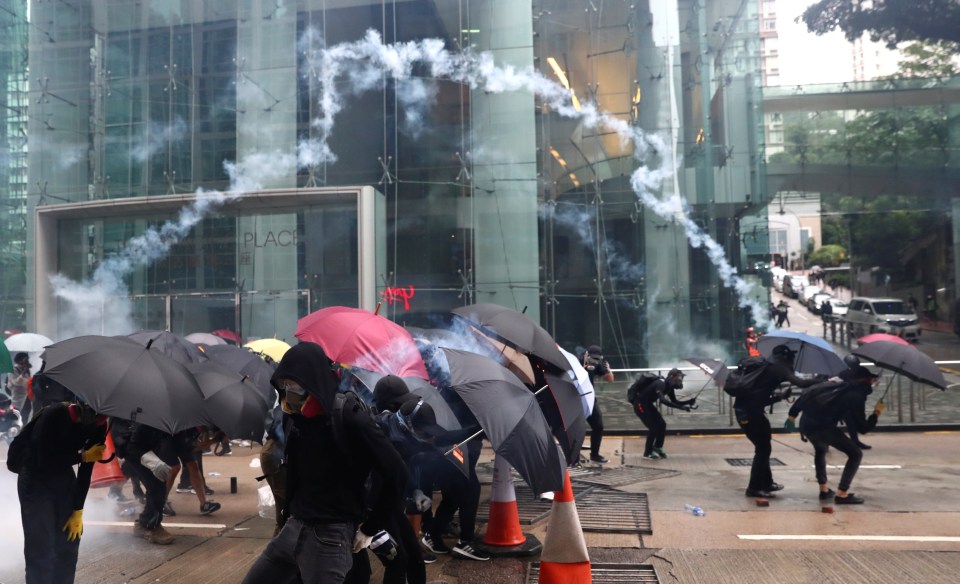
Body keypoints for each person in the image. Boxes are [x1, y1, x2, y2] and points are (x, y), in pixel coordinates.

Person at [242, 342, 408, 584]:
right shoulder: (294, 418)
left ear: (313, 381)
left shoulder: (349, 417)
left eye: (294, 385)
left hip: (331, 535)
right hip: (294, 526)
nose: (289, 392)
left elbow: (397, 473)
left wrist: (371, 527)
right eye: (284, 385)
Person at [15, 400, 107, 583]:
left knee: (69, 544)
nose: (100, 421)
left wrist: (78, 509)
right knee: (41, 548)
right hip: (35, 479)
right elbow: (43, 459)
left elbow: (85, 470)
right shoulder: (54, 414)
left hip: (63, 477)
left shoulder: (100, 425)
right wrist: (83, 456)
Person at [785, 365, 885, 504]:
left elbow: (805, 396)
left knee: (820, 450)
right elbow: (862, 428)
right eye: (870, 379)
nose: (872, 382)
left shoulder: (831, 384)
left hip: (806, 424)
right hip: (823, 426)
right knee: (855, 454)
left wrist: (792, 417)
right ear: (864, 381)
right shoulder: (856, 395)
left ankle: (824, 490)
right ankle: (842, 493)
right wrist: (876, 414)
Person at [734, 344, 818, 498]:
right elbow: (802, 383)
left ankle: (766, 482)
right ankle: (753, 488)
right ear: (785, 357)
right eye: (791, 357)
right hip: (751, 414)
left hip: (747, 411)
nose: (792, 360)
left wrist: (781, 397)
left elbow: (760, 398)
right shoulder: (779, 368)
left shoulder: (768, 367)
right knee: (763, 449)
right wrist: (821, 380)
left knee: (764, 447)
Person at [124, 422, 177, 544]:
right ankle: (149, 525)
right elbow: (130, 444)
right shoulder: (140, 417)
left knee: (158, 484)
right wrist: (150, 460)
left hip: (152, 448)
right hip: (134, 449)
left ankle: (146, 522)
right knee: (156, 485)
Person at [629, 368, 695, 460]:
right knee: (653, 427)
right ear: (672, 376)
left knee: (662, 424)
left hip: (647, 405)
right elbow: (663, 401)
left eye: (681, 378)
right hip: (640, 405)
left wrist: (688, 402)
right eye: (679, 378)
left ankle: (658, 447)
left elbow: (674, 401)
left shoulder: (669, 386)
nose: (680, 380)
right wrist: (681, 407)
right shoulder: (660, 384)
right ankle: (647, 453)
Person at [582, 345, 613, 464]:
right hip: (576, 398)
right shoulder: (578, 361)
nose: (593, 361)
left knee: (598, 426)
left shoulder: (597, 363)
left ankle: (594, 454)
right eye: (592, 358)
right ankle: (572, 457)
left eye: (596, 359)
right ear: (586, 355)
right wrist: (583, 366)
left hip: (590, 398)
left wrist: (607, 369)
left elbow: (610, 379)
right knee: (577, 428)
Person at [8, 352, 32, 421]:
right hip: (17, 399)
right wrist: (24, 372)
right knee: (15, 418)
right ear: (20, 360)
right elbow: (16, 382)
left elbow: (29, 382)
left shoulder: (27, 371)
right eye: (25, 360)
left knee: (25, 418)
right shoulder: (13, 370)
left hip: (27, 398)